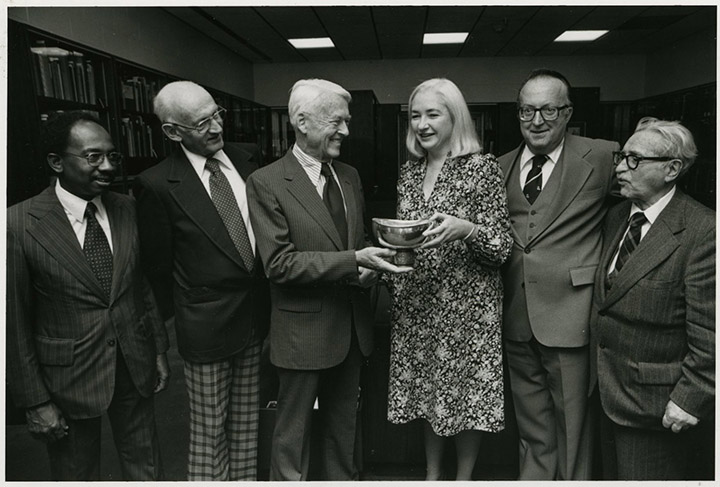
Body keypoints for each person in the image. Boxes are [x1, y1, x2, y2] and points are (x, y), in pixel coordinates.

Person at [246, 78, 409, 481]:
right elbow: (279, 264)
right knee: (293, 440)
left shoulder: (349, 176)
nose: (346, 131)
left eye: (347, 121)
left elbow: (355, 242)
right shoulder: (266, 182)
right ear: (302, 122)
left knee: (344, 436)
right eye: (336, 121)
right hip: (302, 335)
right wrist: (354, 260)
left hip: (352, 330)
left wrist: (372, 266)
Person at [6, 111, 170, 480]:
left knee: (147, 467)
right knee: (76, 474)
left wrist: (158, 348)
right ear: (56, 162)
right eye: (93, 157)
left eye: (112, 156)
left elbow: (139, 284)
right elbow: (13, 325)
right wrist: (35, 401)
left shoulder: (127, 207)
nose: (108, 167)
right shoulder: (17, 224)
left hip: (133, 361)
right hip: (67, 379)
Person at [133, 81, 270, 481]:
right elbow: (158, 267)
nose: (216, 128)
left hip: (256, 317)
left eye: (217, 115)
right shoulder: (157, 184)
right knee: (210, 432)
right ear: (172, 132)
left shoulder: (248, 159)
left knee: (247, 425)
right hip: (205, 325)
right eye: (201, 123)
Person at [383, 78, 513, 480]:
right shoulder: (409, 172)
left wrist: (467, 229)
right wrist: (390, 255)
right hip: (419, 303)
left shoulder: (482, 168)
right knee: (428, 394)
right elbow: (408, 238)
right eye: (415, 115)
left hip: (467, 308)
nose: (421, 124)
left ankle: (463, 479)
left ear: (455, 117)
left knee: (465, 397)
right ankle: (432, 475)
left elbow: (502, 247)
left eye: (432, 114)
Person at [497, 69, 620, 480]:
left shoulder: (603, 157)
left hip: (571, 314)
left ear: (567, 113)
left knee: (572, 423)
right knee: (531, 422)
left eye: (548, 110)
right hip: (516, 313)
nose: (537, 121)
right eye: (527, 111)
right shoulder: (499, 167)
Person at [591, 118, 715, 480]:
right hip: (607, 396)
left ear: (672, 169)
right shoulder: (617, 216)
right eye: (620, 157)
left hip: (658, 408)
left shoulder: (704, 231)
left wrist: (690, 398)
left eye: (634, 160)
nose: (619, 168)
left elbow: (711, 332)